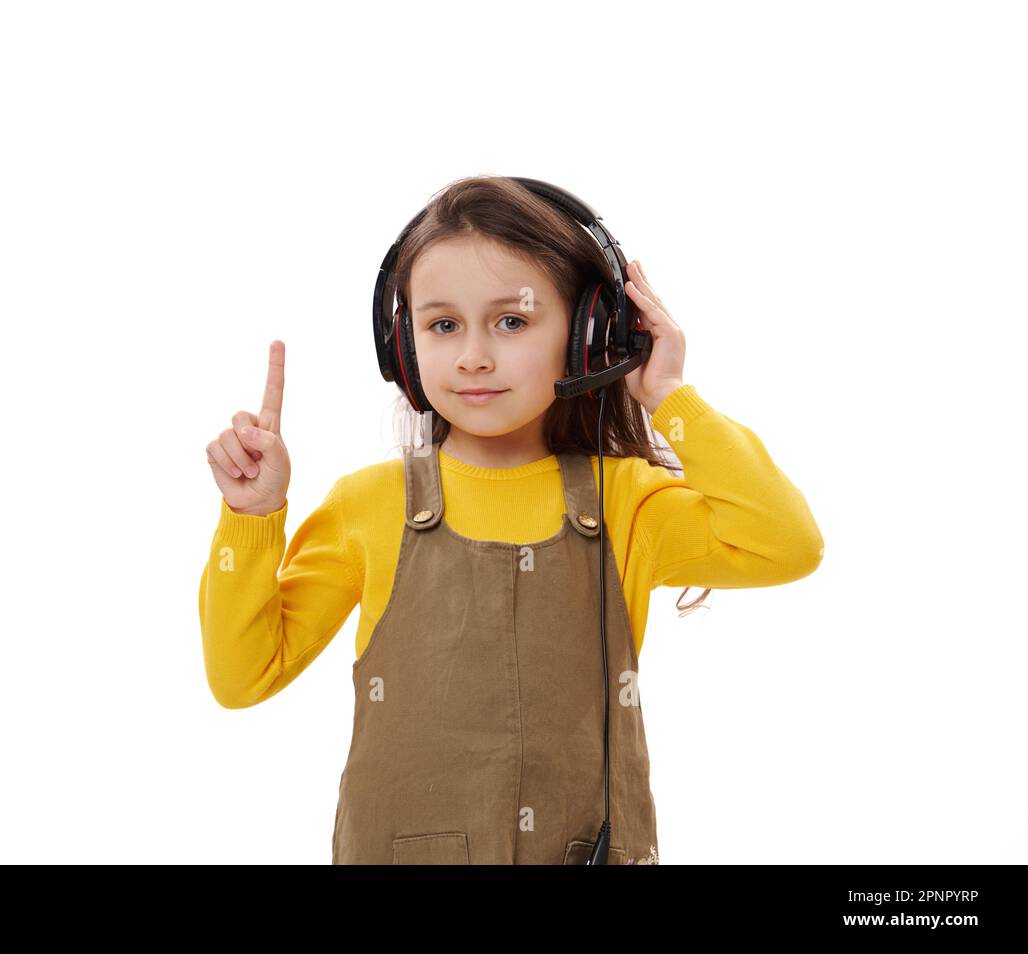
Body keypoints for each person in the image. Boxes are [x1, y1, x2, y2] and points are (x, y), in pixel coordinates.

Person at [199, 175, 823, 864]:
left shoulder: (627, 504)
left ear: (588, 337)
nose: (473, 355)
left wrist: (668, 396)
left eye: (512, 321)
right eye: (443, 325)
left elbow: (787, 544)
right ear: (403, 346)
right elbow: (244, 676)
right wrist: (251, 518)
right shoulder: (368, 504)